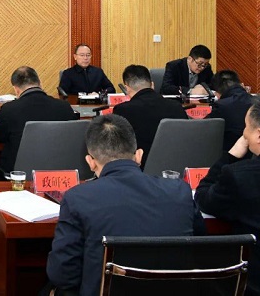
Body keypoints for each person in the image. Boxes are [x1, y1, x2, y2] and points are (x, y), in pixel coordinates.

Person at [46, 114, 205, 296]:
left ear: (90, 162)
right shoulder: (180, 191)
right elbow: (201, 250)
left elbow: (63, 274)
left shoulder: (77, 198)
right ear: (139, 156)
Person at [196, 98, 260, 296]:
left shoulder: (240, 176)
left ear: (258, 135)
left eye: (246, 127)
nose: (244, 133)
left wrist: (230, 156)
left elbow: (204, 198)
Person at [0, 66, 77, 174]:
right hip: (58, 173)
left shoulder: (9, 109)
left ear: (16, 89)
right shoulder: (64, 107)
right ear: (40, 83)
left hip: (19, 175)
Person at [113, 65, 188, 167]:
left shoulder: (123, 110)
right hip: (176, 167)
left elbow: (116, 146)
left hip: (138, 169)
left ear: (126, 89)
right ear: (152, 85)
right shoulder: (177, 107)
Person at [207, 69, 253, 150]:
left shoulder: (221, 106)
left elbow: (205, 129)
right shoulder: (256, 101)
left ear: (217, 93)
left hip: (230, 152)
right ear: (240, 84)